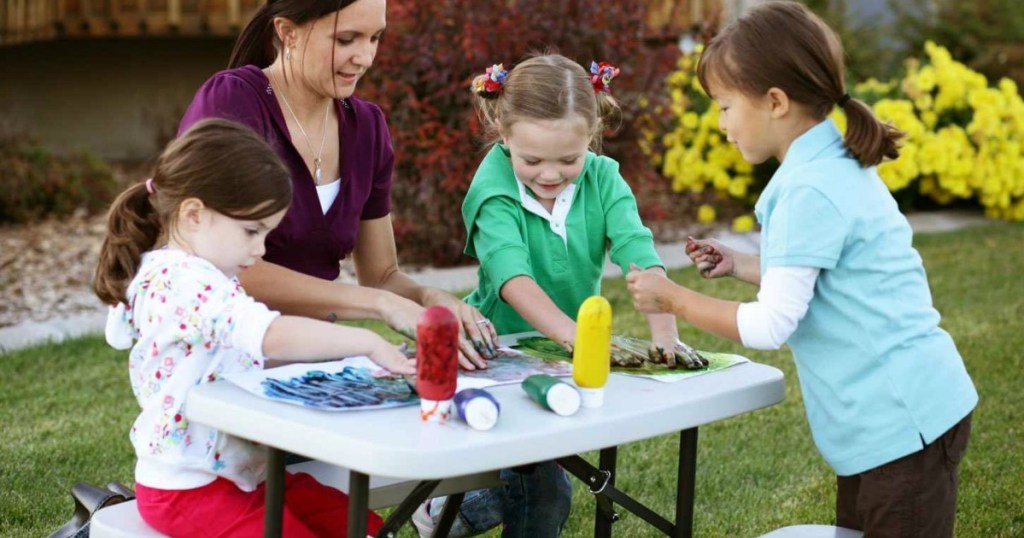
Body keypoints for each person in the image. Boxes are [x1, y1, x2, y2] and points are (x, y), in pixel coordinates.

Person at [626, 3, 978, 536]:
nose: (720, 124)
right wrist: (743, 263)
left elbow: (771, 326)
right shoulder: (828, 163)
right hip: (890, 419)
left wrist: (672, 298)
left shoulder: (807, 188)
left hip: (904, 421)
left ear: (774, 102)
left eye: (724, 106)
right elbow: (825, 272)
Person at [411, 54, 701, 538]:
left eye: (569, 159)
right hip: (495, 354)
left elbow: (637, 252)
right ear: (504, 136)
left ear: (591, 136)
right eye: (532, 160)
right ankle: (445, 511)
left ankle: (447, 511)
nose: (550, 174)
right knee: (544, 487)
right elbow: (512, 278)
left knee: (540, 479)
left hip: (564, 356)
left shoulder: (604, 177)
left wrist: (665, 333)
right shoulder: (493, 189)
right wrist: (574, 337)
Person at [93, 118, 416, 537]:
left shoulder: (207, 276)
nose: (260, 249)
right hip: (188, 489)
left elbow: (253, 352)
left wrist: (354, 364)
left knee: (359, 524)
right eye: (251, 231)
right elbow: (270, 334)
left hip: (245, 479)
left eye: (266, 233)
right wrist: (369, 342)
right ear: (193, 215)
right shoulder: (182, 283)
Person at [177, 0, 498, 370]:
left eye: (375, 37)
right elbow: (227, 266)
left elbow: (380, 276)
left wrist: (427, 296)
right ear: (287, 32)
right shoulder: (233, 101)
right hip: (223, 359)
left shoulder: (368, 129)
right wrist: (379, 305)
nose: (364, 57)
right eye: (346, 39)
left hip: (313, 360)